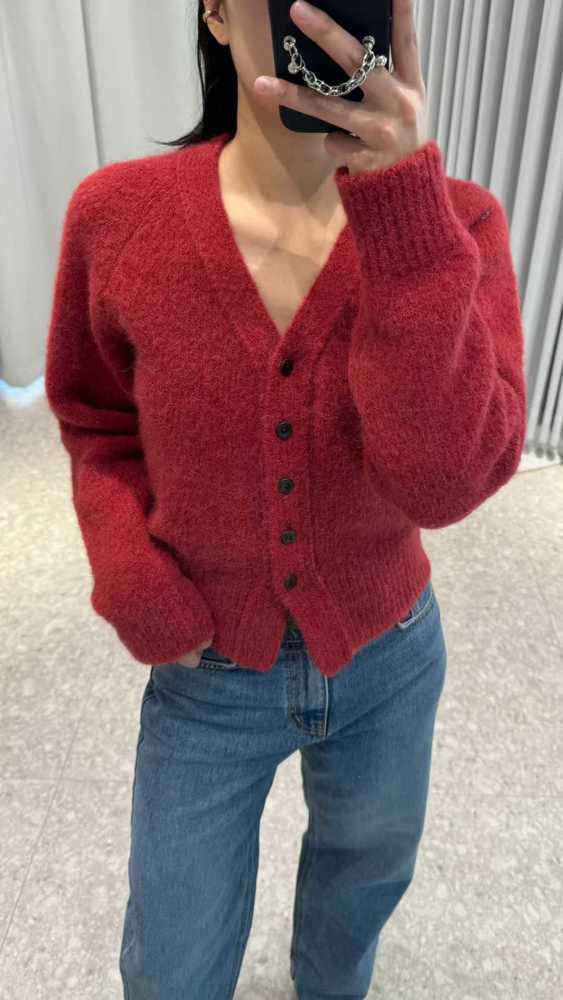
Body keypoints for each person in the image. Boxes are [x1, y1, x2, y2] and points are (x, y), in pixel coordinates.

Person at [44, 2, 528, 997]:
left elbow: (443, 482)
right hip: (206, 669)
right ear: (219, 13)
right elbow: (95, 420)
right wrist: (134, 577)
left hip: (390, 655)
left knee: (361, 888)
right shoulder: (118, 217)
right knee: (172, 957)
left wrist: (402, 212)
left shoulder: (458, 225)